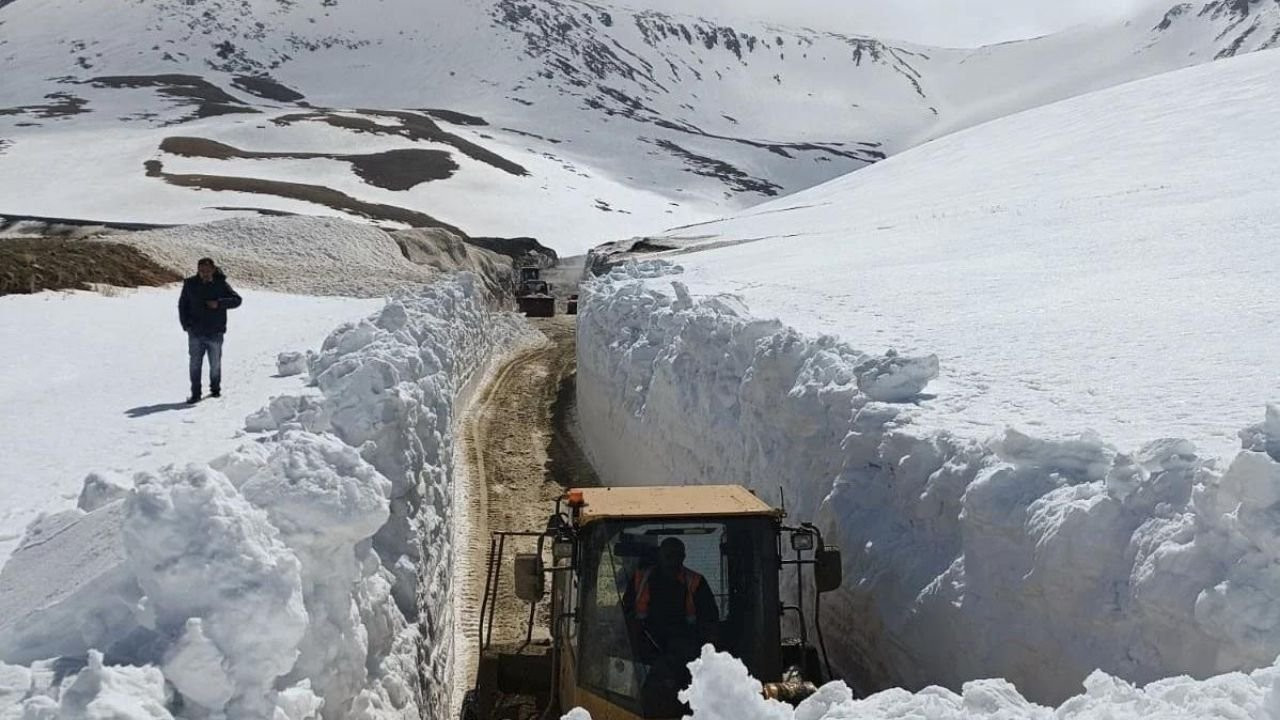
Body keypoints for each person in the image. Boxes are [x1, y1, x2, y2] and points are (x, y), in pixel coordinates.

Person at [624, 537, 719, 716]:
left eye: (676, 555)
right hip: (642, 653)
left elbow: (709, 621)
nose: (671, 559)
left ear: (683, 557)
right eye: (668, 554)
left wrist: (703, 653)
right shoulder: (640, 579)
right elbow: (624, 615)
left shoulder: (695, 582)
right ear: (659, 555)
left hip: (684, 653)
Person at [178, 258, 242, 403]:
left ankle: (215, 389)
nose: (204, 273)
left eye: (207, 270)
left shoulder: (221, 284)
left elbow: (237, 300)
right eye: (201, 270)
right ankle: (195, 393)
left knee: (215, 364)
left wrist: (219, 303)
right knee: (195, 364)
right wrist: (186, 325)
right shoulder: (190, 284)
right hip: (195, 331)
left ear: (213, 269)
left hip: (215, 331)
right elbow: (183, 305)